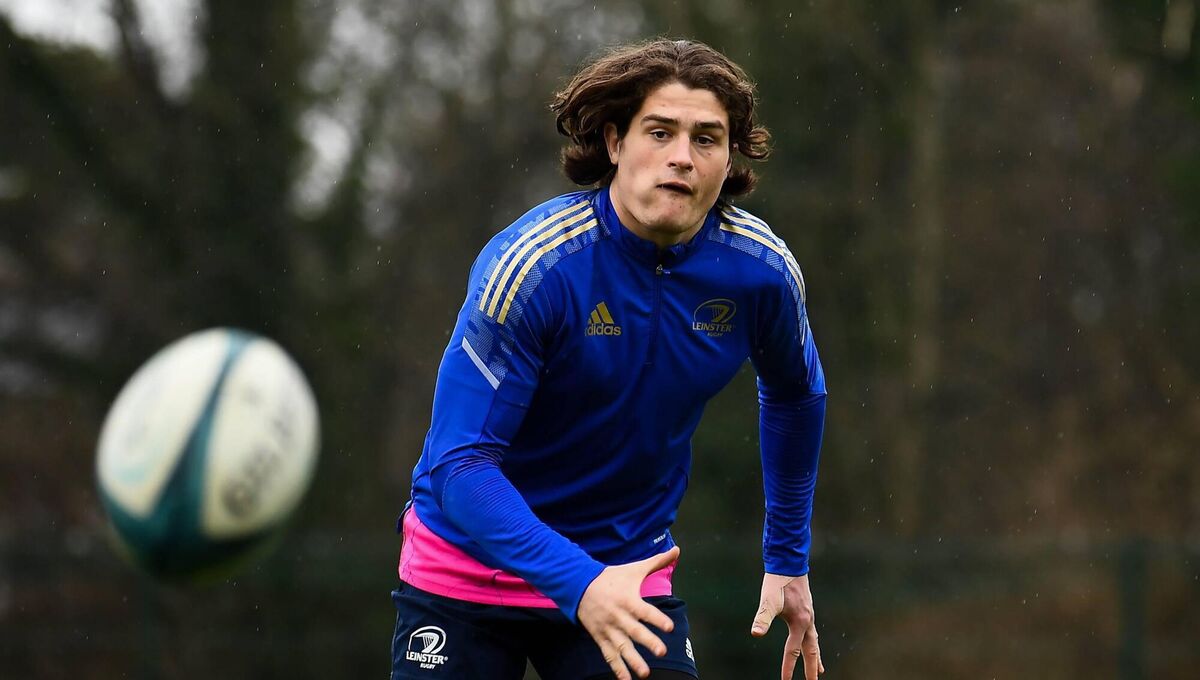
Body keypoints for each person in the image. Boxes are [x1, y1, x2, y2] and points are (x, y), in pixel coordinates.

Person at [391, 38, 827, 680]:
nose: (682, 157)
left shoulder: (759, 272)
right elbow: (459, 464)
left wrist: (788, 557)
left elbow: (796, 394)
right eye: (660, 132)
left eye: (707, 139)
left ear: (729, 157)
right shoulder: (535, 268)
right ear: (616, 142)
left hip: (627, 573)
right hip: (468, 573)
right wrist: (579, 583)